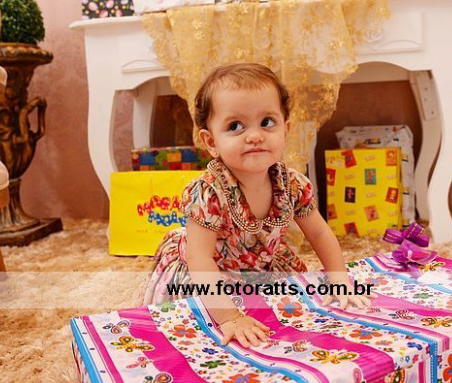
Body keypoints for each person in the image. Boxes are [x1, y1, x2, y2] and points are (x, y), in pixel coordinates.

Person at [141, 63, 372, 348]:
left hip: (260, 265)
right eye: (235, 126)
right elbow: (200, 259)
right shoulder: (209, 192)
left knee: (292, 311)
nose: (255, 136)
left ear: (285, 129)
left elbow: (319, 233)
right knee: (192, 331)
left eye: (267, 122)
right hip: (206, 273)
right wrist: (229, 317)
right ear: (211, 142)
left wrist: (339, 278)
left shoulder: (292, 184)